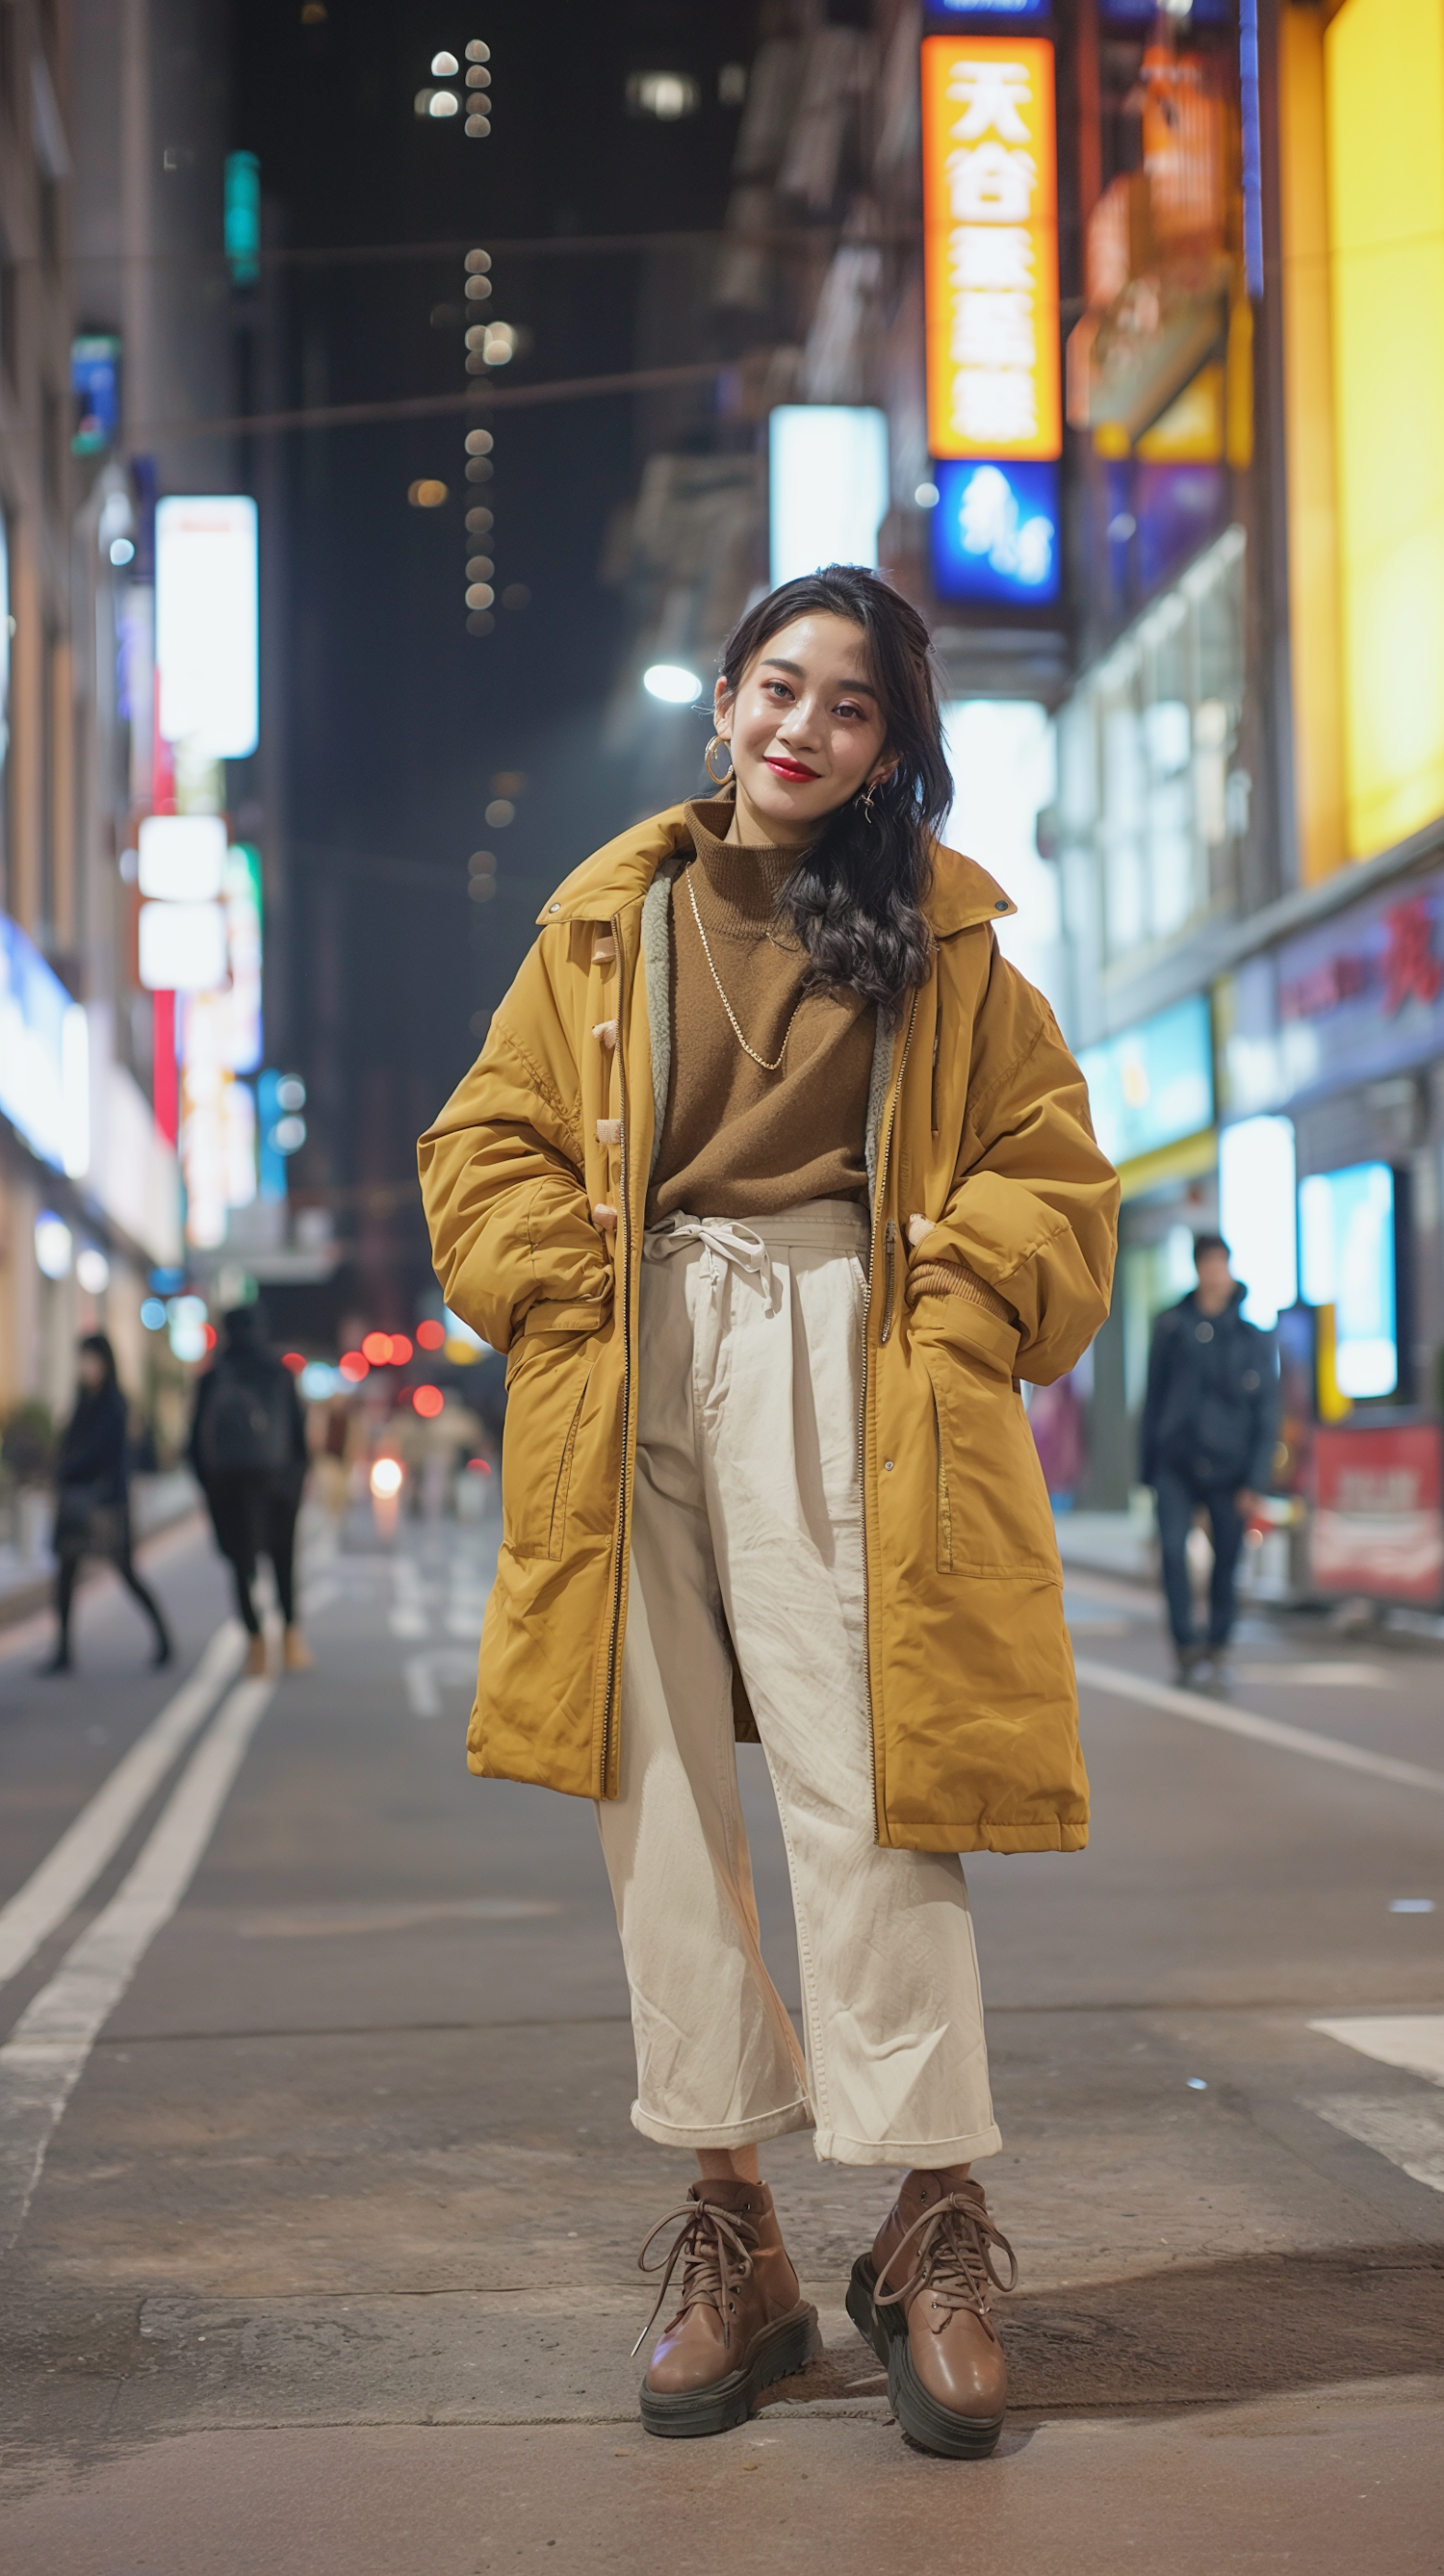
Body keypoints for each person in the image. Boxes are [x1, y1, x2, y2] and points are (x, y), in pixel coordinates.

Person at [420, 566, 1118, 2460]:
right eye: (781, 688)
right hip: (628, 1346)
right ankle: (735, 2223)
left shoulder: (948, 937)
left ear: (894, 747)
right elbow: (480, 1136)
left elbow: (1057, 1165)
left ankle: (927, 2213)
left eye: (853, 706)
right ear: (722, 701)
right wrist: (545, 1269)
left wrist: (965, 1292)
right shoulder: (601, 921)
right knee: (656, 1790)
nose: (806, 727)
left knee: (873, 1781)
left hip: (851, 1342)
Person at [1140, 1232, 1280, 1685]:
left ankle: (1218, 1641)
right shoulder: (1171, 1327)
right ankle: (1184, 1643)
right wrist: (1148, 1472)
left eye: (1220, 1263)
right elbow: (1153, 1400)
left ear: (1229, 1267)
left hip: (1231, 1468)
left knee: (1227, 1560)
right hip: (1175, 1464)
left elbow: (1267, 1412)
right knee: (1174, 1554)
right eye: (1207, 1263)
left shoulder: (1252, 1338)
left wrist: (1255, 1482)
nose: (1214, 1272)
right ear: (1198, 1268)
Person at [190, 1304, 311, 1678]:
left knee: (241, 1570)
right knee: (284, 1564)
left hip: (229, 1490)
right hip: (277, 1489)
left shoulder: (211, 1377)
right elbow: (298, 1439)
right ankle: (290, 1641)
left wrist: (210, 1488)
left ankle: (256, 1645)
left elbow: (192, 1444)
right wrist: (295, 1482)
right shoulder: (279, 1373)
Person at [43, 1334, 172, 1673]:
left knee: (126, 1572)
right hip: (79, 1502)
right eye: (82, 1360)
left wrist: (65, 1471)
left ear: (104, 1362)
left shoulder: (115, 1406)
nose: (85, 1368)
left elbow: (101, 1455)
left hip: (106, 1505)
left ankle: (164, 1639)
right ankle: (63, 1652)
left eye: (90, 1360)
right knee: (66, 1576)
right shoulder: (84, 1401)